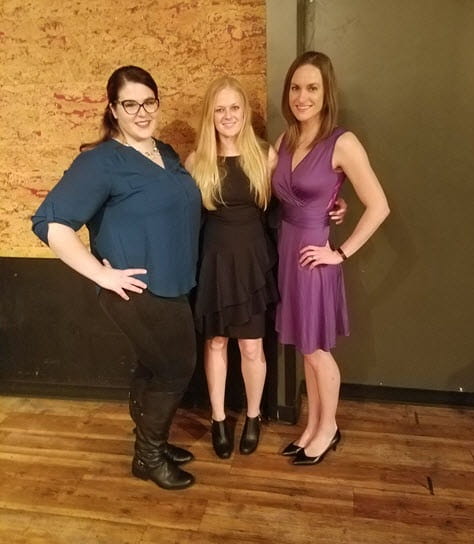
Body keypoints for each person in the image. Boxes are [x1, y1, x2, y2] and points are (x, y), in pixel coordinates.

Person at [31, 66, 201, 489]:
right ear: (113, 109)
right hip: (139, 289)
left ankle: (152, 442)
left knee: (153, 366)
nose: (142, 112)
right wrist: (100, 275)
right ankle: (148, 458)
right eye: (130, 104)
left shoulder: (166, 153)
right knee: (175, 370)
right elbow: (50, 223)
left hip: (175, 282)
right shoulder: (100, 162)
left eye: (149, 102)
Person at [272, 51, 390, 465]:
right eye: (295, 88)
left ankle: (328, 428)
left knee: (317, 350)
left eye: (312, 88)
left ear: (327, 93)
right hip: (287, 251)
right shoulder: (285, 140)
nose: (302, 97)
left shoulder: (343, 142)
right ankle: (312, 425)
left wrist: (340, 252)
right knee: (306, 349)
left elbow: (379, 206)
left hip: (313, 259)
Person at [185, 76, 278, 458]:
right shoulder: (197, 161)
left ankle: (253, 416)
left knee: (252, 347)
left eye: (234, 108)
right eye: (219, 109)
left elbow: (291, 203)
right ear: (210, 115)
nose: (227, 116)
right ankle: (219, 419)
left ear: (246, 111)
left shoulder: (266, 156)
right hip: (214, 262)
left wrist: (334, 206)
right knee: (216, 342)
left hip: (253, 262)